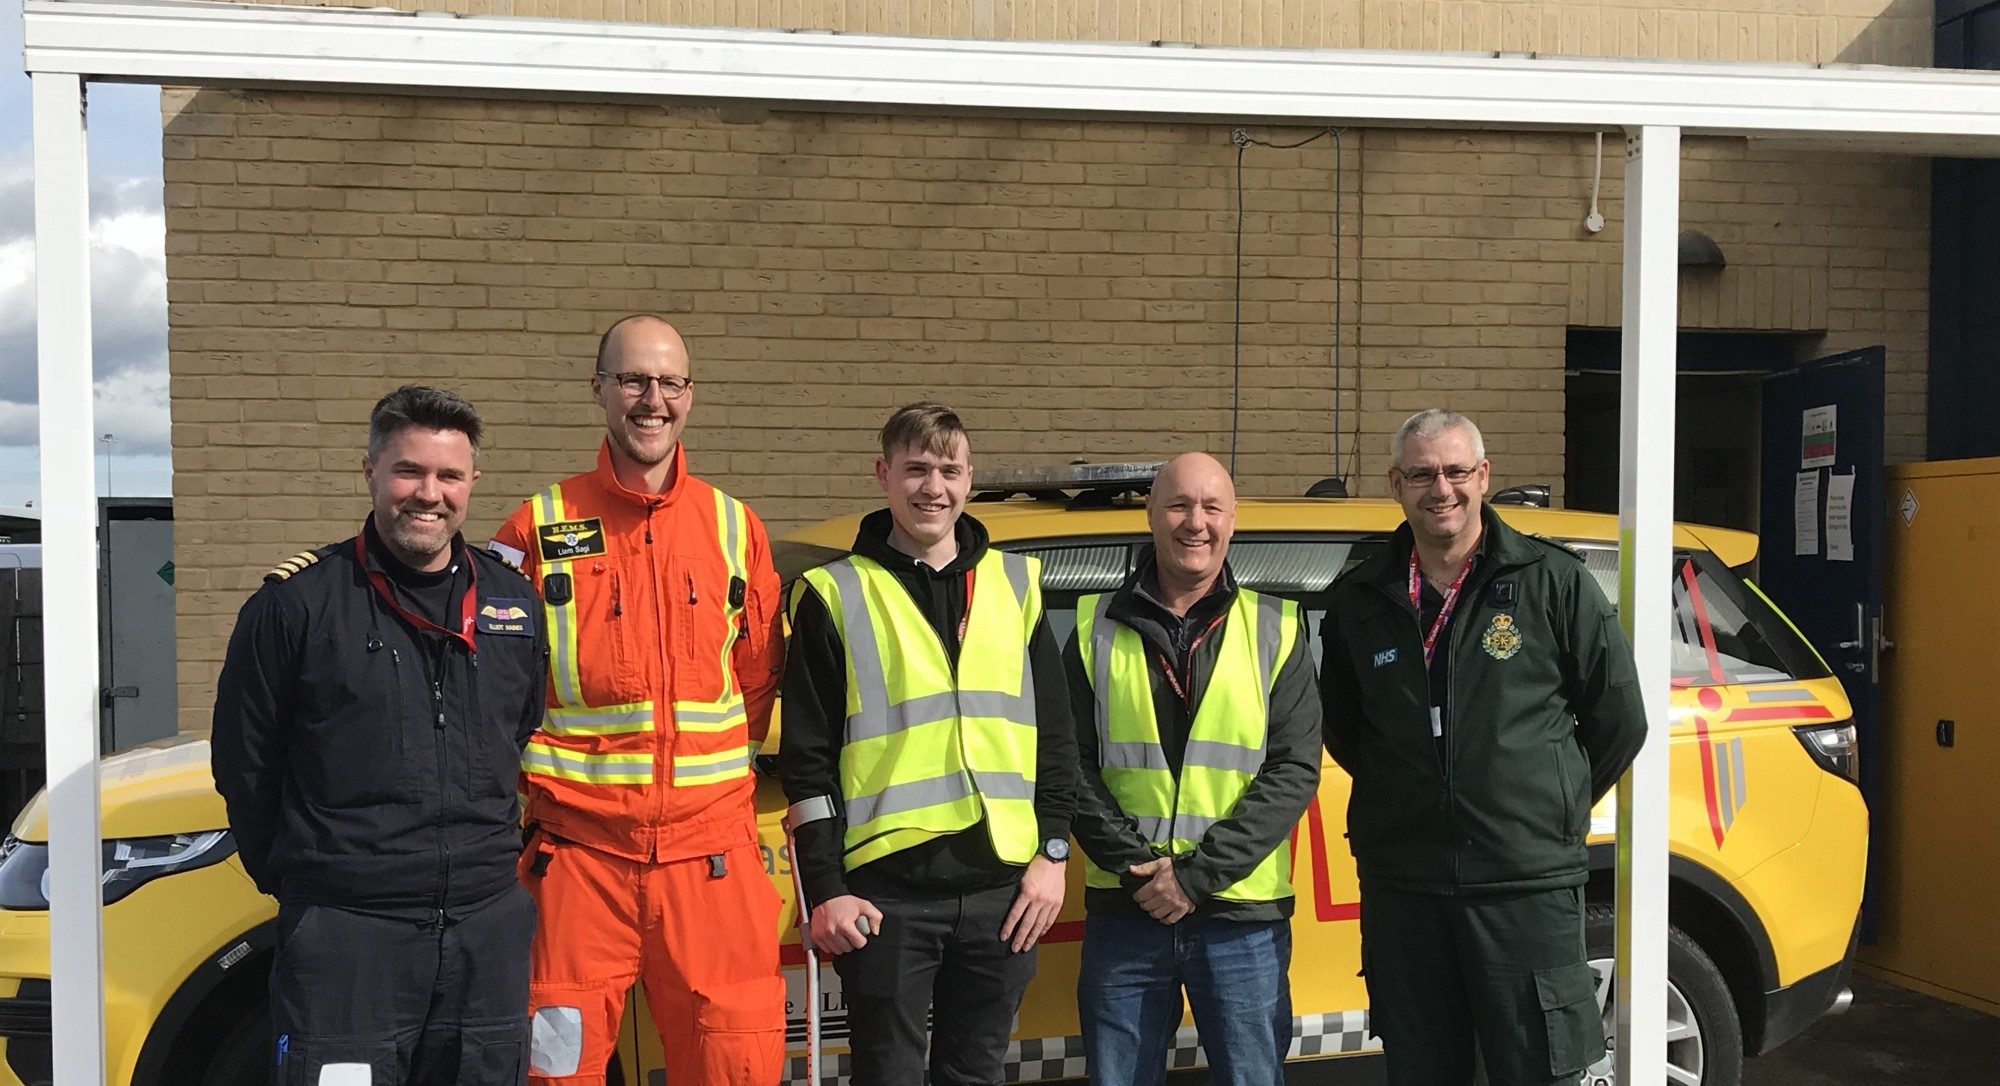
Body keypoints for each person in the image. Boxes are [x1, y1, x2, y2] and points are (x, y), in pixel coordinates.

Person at [212, 385, 547, 1084]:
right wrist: (314, 883)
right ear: (370, 470)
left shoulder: (514, 602)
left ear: (472, 483)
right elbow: (246, 765)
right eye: (409, 471)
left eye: (449, 475)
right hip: (346, 939)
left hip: (485, 934)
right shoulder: (295, 606)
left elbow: (518, 730)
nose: (429, 493)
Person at [488, 316, 786, 1085]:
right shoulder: (535, 526)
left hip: (710, 863)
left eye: (669, 383)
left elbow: (756, 681)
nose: (651, 400)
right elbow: (493, 691)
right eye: (632, 381)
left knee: (733, 1069)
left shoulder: (734, 528)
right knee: (553, 1073)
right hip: (577, 864)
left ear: (690, 397)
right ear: (599, 392)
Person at [1319, 408, 1648, 1085]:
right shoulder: (1359, 598)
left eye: (1456, 471)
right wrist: (1421, 789)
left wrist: (1545, 801)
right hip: (1406, 887)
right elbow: (1346, 727)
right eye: (1422, 474)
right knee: (1422, 1072)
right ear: (1396, 484)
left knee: (1539, 1071)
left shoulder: (1552, 582)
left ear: (1484, 476)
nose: (1441, 489)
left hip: (1523, 886)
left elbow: (1619, 717)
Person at [779, 401, 1079, 1085]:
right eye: (916, 469)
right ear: (883, 475)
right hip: (888, 899)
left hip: (1004, 889)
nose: (932, 488)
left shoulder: (1015, 584)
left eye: (948, 470)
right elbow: (808, 763)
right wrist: (827, 888)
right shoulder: (835, 594)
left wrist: (1054, 852)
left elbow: (1055, 740)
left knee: (975, 1075)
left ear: (970, 479)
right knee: (889, 1076)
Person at [1065, 452, 1321, 1086]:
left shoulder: (1276, 625)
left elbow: (1293, 768)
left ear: (1233, 520)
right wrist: (1140, 871)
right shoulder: (1091, 624)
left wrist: (1195, 877)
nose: (1195, 523)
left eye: (1211, 507)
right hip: (1129, 910)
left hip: (1240, 918)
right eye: (1179, 504)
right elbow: (1068, 763)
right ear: (1151, 513)